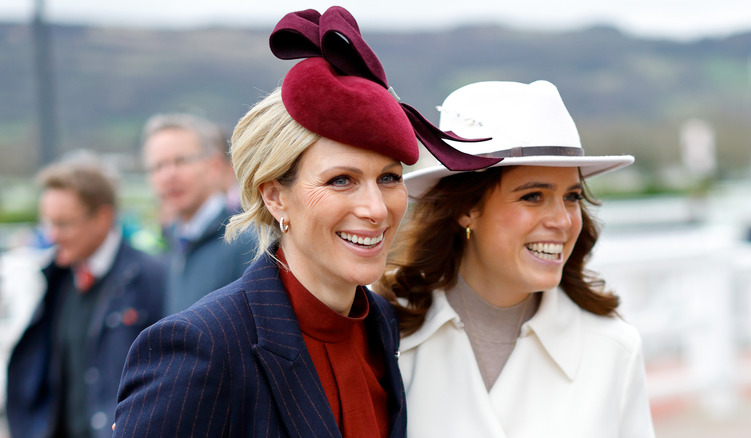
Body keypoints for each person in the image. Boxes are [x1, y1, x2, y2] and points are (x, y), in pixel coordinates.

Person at [112, 7, 484, 437]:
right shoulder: (203, 345)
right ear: (274, 196)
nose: (376, 209)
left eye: (389, 178)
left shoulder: (379, 323)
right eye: (341, 180)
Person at [379, 80, 656, 437]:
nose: (562, 220)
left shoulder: (614, 348)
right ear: (466, 209)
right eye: (533, 196)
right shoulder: (388, 334)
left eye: (571, 197)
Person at [6, 156, 165, 438]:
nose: (52, 235)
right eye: (48, 223)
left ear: (103, 217)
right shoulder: (55, 278)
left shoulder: (154, 278)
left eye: (64, 224)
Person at [141, 112, 255, 314]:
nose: (169, 175)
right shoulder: (173, 242)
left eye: (181, 161)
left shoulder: (245, 240)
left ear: (214, 166)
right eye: (158, 166)